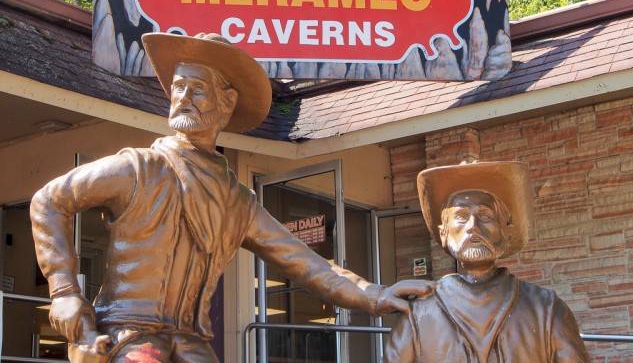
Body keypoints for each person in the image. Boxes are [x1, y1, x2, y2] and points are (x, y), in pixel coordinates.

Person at [31, 32, 430, 363]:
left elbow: (309, 266)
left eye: (198, 88)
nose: (182, 97)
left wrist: (377, 295)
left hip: (192, 344)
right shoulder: (138, 168)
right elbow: (49, 201)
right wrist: (64, 292)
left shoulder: (237, 202)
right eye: (178, 87)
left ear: (227, 103)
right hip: (126, 335)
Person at [382, 161, 591, 362]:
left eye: (486, 216)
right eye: (462, 217)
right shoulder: (418, 313)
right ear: (443, 233)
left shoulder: (545, 307)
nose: (473, 227)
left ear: (506, 231)